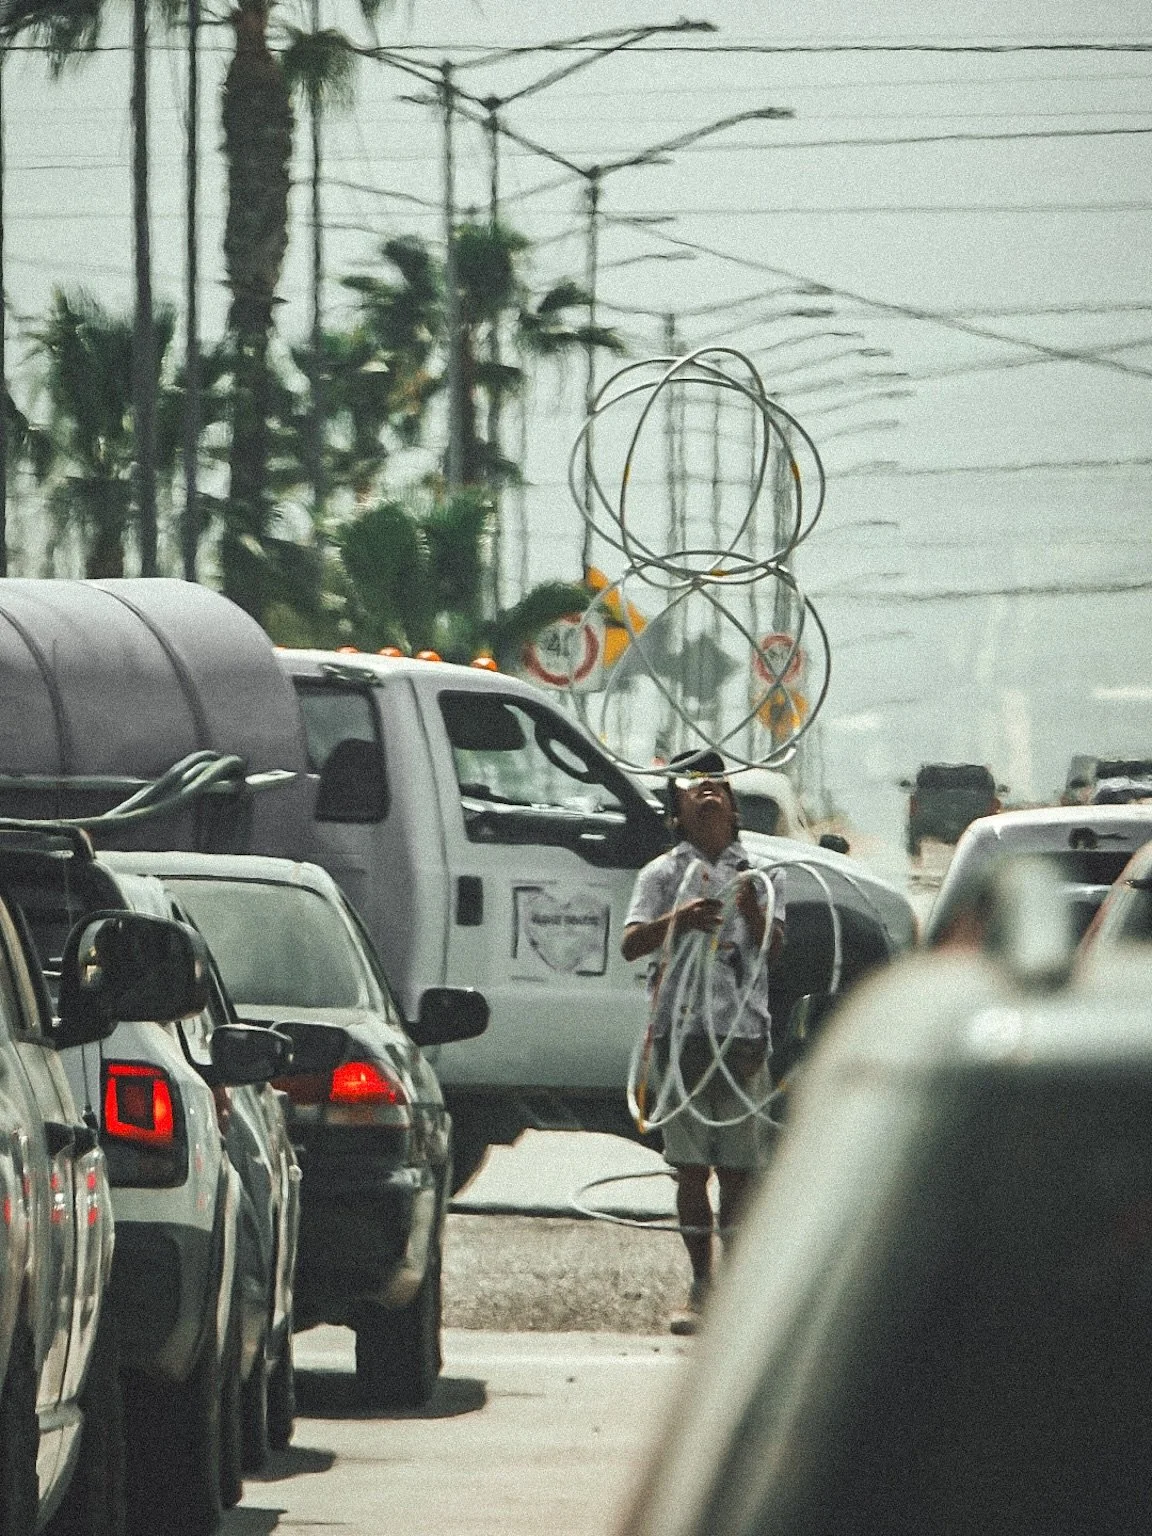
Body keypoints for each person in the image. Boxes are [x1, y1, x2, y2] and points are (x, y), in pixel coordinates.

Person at [622, 749, 786, 1335]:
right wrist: (680, 920)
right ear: (678, 814)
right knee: (691, 1169)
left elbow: (775, 950)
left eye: (718, 785)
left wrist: (752, 912)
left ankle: (736, 1295)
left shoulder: (763, 875)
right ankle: (701, 1287)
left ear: (735, 810)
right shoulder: (662, 875)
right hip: (682, 1037)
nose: (709, 790)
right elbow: (632, 944)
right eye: (695, 787)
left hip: (743, 1037)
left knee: (739, 1170)